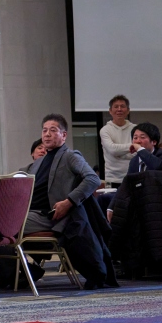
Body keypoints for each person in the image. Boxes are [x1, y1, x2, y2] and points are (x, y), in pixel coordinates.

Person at [26, 114, 107, 288]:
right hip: (30, 212)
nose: (47, 134)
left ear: (64, 135)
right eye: (44, 130)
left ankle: (22, 272)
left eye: (53, 130)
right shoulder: (38, 163)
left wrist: (69, 201)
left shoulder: (70, 156)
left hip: (49, 216)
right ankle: (21, 272)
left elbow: (93, 179)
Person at [99, 95, 136, 187]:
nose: (119, 109)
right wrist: (132, 147)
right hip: (112, 179)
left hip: (133, 177)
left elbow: (138, 152)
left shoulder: (136, 129)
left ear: (128, 110)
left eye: (122, 106)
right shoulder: (105, 130)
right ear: (110, 111)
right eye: (116, 107)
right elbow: (112, 150)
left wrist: (118, 154)